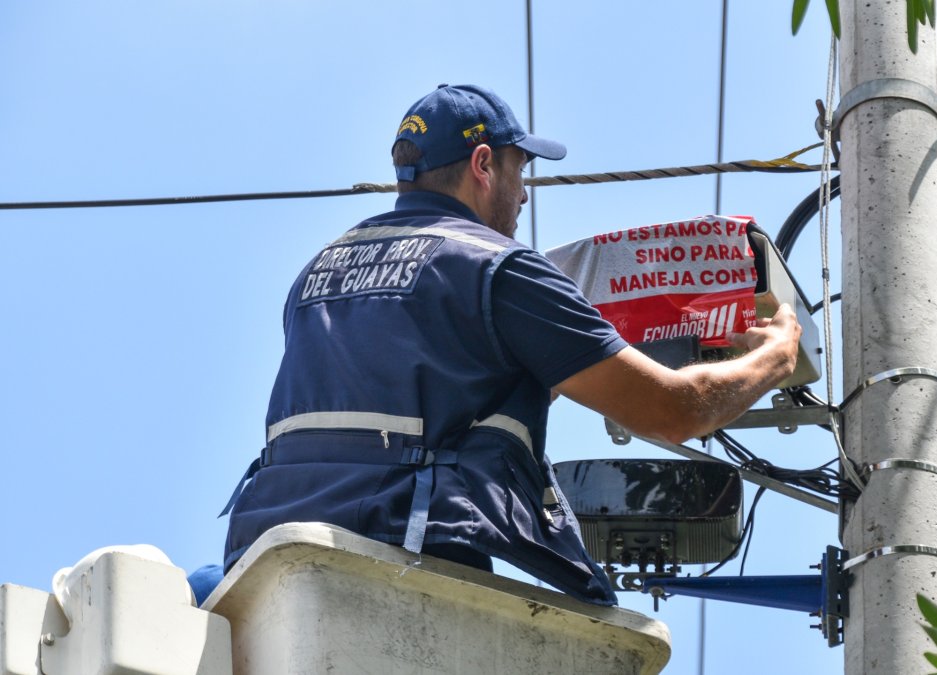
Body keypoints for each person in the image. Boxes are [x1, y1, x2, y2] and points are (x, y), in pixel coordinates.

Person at [221, 84, 801, 606]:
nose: (524, 195)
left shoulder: (320, 271)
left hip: (268, 553)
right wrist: (776, 355)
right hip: (406, 558)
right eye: (521, 171)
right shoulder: (497, 267)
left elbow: (407, 397)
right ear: (483, 165)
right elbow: (672, 410)